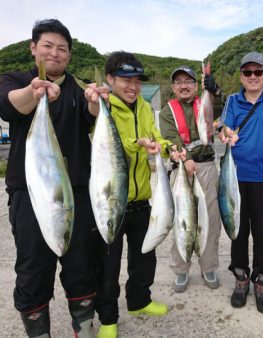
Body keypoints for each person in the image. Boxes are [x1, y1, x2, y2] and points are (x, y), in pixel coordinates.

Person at [0, 19, 101, 337]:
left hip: (77, 190)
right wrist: (35, 92)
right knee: (33, 267)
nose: (55, 53)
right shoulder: (14, 79)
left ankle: (83, 327)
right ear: (33, 48)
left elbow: (92, 116)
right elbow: (8, 106)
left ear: (70, 55)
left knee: (82, 263)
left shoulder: (79, 88)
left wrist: (97, 104)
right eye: (48, 46)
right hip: (30, 193)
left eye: (62, 49)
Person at [87, 51, 181, 338]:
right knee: (108, 265)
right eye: (126, 80)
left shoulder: (143, 107)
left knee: (145, 258)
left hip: (142, 200)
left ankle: (139, 301)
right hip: (111, 201)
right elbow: (105, 143)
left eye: (137, 81)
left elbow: (154, 136)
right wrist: (135, 144)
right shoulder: (103, 106)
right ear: (110, 79)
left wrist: (166, 148)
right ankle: (107, 318)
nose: (133, 87)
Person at [219, 52, 263, 314]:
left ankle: (261, 281)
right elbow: (223, 129)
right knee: (237, 232)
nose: (253, 77)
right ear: (241, 75)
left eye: (257, 72)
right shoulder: (232, 100)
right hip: (234, 178)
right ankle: (241, 278)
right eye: (247, 72)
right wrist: (227, 135)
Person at [159, 65, 224, 293]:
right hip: (181, 169)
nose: (183, 86)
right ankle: (181, 269)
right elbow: (170, 137)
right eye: (178, 82)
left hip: (206, 168)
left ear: (196, 86)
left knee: (210, 221)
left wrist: (215, 91)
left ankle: (209, 267)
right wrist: (185, 158)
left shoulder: (204, 102)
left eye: (188, 81)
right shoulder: (168, 111)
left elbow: (218, 107)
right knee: (182, 220)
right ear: (173, 87)